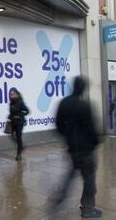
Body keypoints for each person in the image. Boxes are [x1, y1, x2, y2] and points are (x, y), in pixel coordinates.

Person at [52, 76, 102, 218]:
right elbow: (92, 129)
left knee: (70, 175)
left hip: (72, 149)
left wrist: (67, 138)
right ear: (83, 88)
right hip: (86, 149)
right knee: (89, 179)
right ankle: (87, 208)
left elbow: (58, 124)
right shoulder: (84, 105)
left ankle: (58, 198)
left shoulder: (64, 103)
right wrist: (96, 142)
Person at [8, 89, 29, 161]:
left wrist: (20, 115)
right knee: (11, 136)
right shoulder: (11, 103)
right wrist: (10, 116)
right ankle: (21, 146)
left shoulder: (20, 102)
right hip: (13, 122)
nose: (11, 95)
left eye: (13, 94)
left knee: (19, 137)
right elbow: (12, 112)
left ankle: (18, 154)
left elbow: (27, 111)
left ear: (17, 94)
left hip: (20, 122)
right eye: (11, 94)